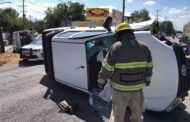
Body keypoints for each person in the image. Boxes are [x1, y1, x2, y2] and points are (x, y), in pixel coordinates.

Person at [97, 22, 153, 122]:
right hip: (137, 89)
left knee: (117, 117)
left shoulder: (116, 47)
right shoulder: (144, 47)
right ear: (131, 33)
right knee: (137, 115)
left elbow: (106, 68)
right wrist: (147, 80)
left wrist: (101, 81)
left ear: (118, 34)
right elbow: (149, 67)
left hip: (120, 90)